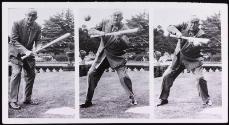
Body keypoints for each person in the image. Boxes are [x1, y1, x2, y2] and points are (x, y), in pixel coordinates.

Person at [80, 10, 137, 108]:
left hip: (117, 57)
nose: (115, 17)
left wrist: (120, 38)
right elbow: (91, 31)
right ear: (111, 16)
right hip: (102, 55)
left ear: (121, 18)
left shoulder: (124, 28)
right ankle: (88, 101)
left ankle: (132, 97)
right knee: (91, 74)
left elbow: (126, 45)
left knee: (124, 78)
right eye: (114, 15)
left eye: (118, 16)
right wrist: (100, 32)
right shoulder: (104, 22)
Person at [157, 16, 212, 106]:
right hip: (179, 57)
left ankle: (206, 99)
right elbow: (169, 27)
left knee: (200, 78)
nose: (192, 25)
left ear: (198, 24)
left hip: (193, 59)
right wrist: (177, 32)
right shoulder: (183, 25)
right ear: (188, 22)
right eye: (191, 22)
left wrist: (194, 44)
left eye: (195, 23)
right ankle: (163, 99)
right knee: (166, 76)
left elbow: (198, 46)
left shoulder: (201, 33)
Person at [8, 9, 41, 110]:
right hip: (16, 53)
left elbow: (38, 40)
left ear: (36, 17)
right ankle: (12, 101)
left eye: (33, 16)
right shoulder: (16, 23)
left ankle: (27, 99)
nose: (30, 18)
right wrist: (25, 50)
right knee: (17, 73)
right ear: (25, 15)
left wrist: (38, 47)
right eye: (29, 15)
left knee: (31, 75)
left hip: (29, 54)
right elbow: (13, 40)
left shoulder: (38, 27)